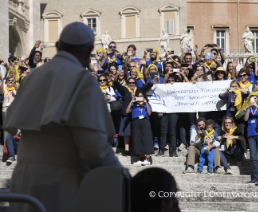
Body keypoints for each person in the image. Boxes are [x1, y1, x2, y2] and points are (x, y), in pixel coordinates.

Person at [4, 22, 122, 212]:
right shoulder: (83, 80)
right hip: (58, 182)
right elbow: (94, 148)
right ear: (88, 51)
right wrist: (122, 175)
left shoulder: (33, 76)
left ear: (58, 46)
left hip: (23, 178)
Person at [113, 75, 153, 156]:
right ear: (127, 83)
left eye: (133, 82)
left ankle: (136, 148)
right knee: (127, 132)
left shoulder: (138, 90)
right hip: (127, 113)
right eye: (129, 82)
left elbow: (146, 88)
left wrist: (152, 82)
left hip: (137, 114)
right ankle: (127, 149)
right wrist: (115, 80)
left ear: (135, 83)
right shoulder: (125, 90)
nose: (131, 84)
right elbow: (118, 86)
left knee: (137, 132)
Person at [243, 92, 258, 185]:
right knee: (253, 157)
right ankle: (255, 177)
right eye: (252, 98)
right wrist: (249, 108)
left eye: (255, 98)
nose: (254, 100)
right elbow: (245, 119)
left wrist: (257, 107)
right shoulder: (248, 108)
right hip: (251, 134)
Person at [126, 89, 153, 165]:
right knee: (137, 139)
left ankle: (148, 158)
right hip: (136, 121)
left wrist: (146, 103)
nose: (140, 98)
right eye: (139, 96)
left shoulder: (147, 104)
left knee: (146, 138)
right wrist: (131, 101)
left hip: (145, 121)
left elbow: (149, 113)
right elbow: (127, 111)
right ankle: (140, 158)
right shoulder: (133, 105)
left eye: (142, 96)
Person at [2, 77, 16, 143]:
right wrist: (2, 81)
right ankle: (5, 144)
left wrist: (14, 85)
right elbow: (1, 91)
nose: (10, 81)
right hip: (5, 109)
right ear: (6, 81)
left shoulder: (15, 89)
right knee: (5, 127)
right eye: (9, 80)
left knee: (11, 127)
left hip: (12, 110)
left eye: (12, 80)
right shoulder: (5, 89)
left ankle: (11, 144)